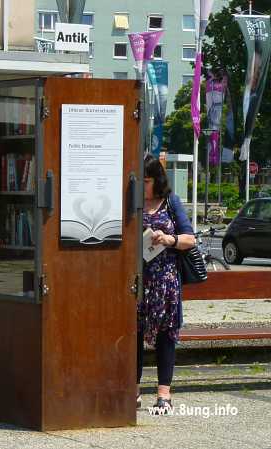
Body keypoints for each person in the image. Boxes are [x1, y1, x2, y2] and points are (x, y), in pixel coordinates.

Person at [137, 154, 195, 414]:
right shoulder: (132, 202)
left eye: (146, 181)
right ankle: (132, 389)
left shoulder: (171, 202)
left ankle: (164, 394)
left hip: (164, 281)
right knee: (134, 334)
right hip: (137, 280)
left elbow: (189, 239)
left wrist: (169, 239)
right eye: (140, 181)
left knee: (166, 335)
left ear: (157, 180)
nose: (143, 186)